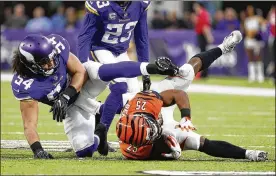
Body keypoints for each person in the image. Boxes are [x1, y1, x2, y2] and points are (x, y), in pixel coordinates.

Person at [11, 33, 178, 159]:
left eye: (52, 58)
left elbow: (80, 71)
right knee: (85, 150)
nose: (52, 64)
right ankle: (100, 123)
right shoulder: (25, 85)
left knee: (106, 71)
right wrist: (38, 150)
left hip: (82, 82)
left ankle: (152, 67)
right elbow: (29, 125)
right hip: (72, 106)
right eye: (44, 63)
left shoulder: (57, 46)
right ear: (30, 65)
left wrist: (66, 95)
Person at [116, 30, 266, 161]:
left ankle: (223, 47)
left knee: (186, 72)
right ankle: (248, 154)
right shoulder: (136, 151)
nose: (155, 130)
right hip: (164, 131)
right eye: (152, 133)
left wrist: (185, 117)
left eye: (151, 128)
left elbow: (178, 94)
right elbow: (204, 146)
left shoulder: (142, 104)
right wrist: (170, 148)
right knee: (197, 142)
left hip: (157, 109)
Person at [77, 1, 152, 150]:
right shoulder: (100, 5)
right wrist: (82, 64)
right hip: (101, 49)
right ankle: (102, 131)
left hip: (121, 52)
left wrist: (145, 70)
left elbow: (141, 37)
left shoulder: (140, 5)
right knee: (119, 86)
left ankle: (101, 112)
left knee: (135, 97)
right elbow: (85, 36)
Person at [244, 5, 267, 83]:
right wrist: (252, 33)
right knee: (250, 58)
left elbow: (264, 26)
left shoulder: (258, 18)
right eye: (248, 10)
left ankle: (260, 75)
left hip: (257, 40)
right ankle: (252, 76)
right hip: (249, 40)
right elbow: (247, 32)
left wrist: (257, 31)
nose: (249, 11)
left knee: (258, 57)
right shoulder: (246, 20)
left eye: (251, 9)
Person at [193, 2, 213, 79]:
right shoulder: (200, 14)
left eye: (196, 6)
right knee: (203, 54)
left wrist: (208, 36)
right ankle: (204, 73)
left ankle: (204, 73)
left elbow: (205, 26)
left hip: (203, 35)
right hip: (201, 35)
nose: (195, 8)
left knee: (203, 55)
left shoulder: (203, 14)